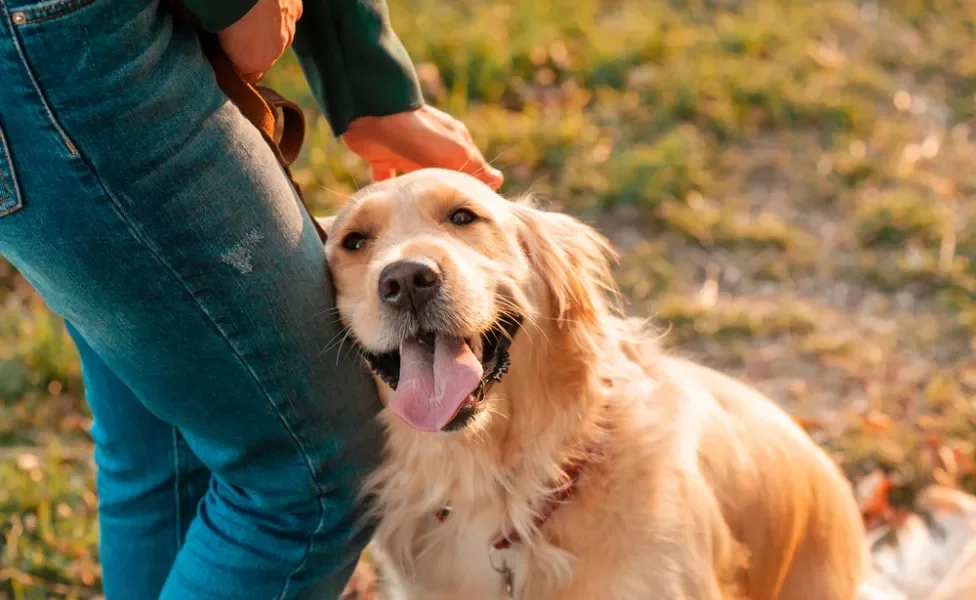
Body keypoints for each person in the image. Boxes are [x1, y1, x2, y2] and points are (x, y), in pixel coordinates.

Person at [0, 0, 501, 598]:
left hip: (55, 48)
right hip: (65, 49)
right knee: (310, 474)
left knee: (172, 445)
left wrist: (363, 71)